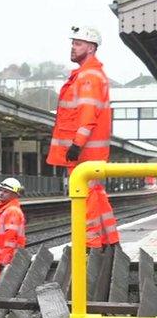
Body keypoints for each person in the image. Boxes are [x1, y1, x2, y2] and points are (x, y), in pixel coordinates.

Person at [46, 25, 119, 248]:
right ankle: (109, 240)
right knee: (95, 192)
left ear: (91, 47)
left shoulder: (88, 77)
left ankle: (91, 244)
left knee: (86, 195)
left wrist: (76, 144)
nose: (72, 47)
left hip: (85, 150)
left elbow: (88, 113)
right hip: (88, 150)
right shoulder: (87, 75)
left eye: (77, 44)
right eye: (72, 43)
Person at [0, 178, 27, 281]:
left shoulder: (12, 211)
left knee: (2, 290)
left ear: (15, 194)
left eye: (6, 191)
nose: (1, 193)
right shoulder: (2, 210)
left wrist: (5, 260)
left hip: (4, 261)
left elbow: (11, 240)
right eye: (1, 190)